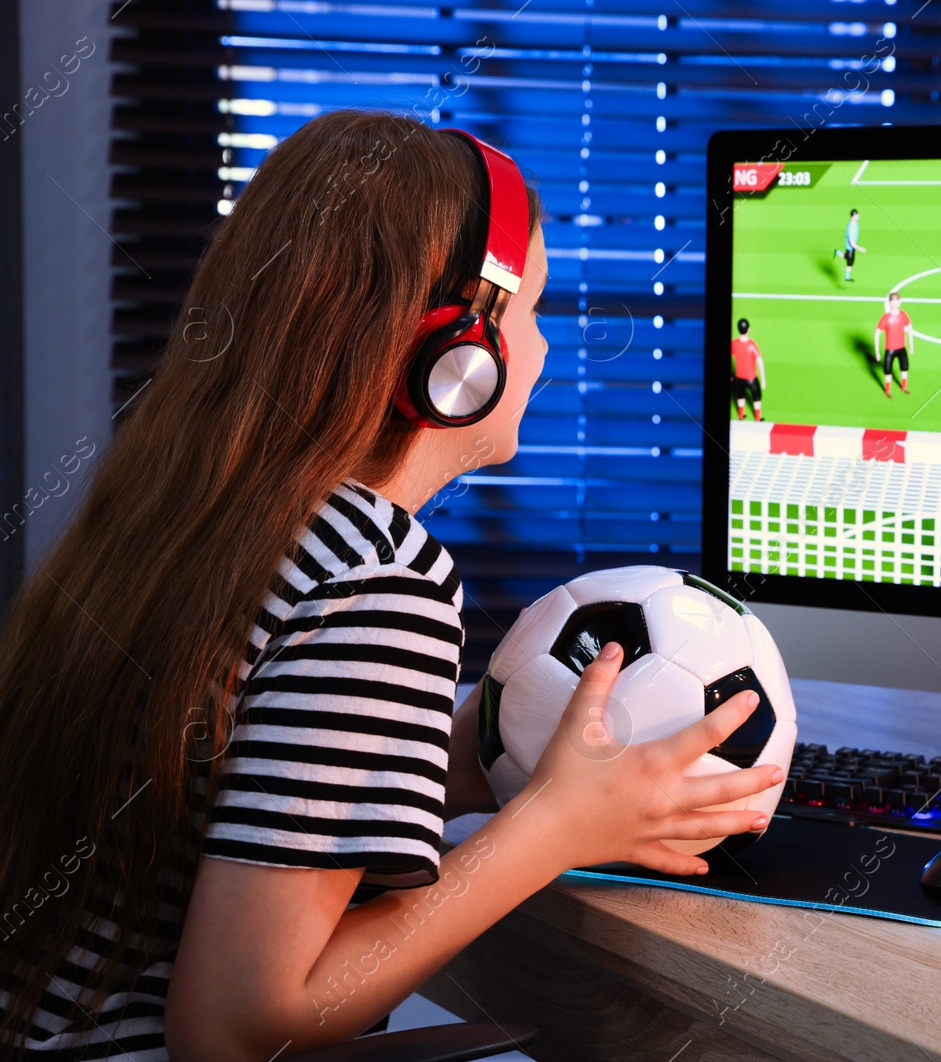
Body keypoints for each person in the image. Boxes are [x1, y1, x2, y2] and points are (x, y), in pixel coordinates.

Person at [0, 111, 782, 1062]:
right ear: (460, 352)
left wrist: (476, 746)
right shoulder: (380, 572)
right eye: (533, 310)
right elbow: (239, 1026)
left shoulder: (193, 508)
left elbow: (220, 784)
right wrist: (557, 826)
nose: (544, 352)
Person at [874, 290, 915, 397]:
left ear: (900, 302)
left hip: (901, 348)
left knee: (904, 368)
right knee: (888, 371)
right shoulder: (886, 318)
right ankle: (887, 390)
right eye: (893, 301)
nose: (895, 303)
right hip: (890, 349)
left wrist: (911, 345)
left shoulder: (903, 315)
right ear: (890, 302)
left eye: (897, 301)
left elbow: (910, 328)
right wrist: (877, 352)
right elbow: (877, 333)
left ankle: (904, 387)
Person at [730, 317, 765, 421]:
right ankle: (757, 418)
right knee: (757, 397)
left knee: (740, 396)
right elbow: (760, 362)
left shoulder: (734, 343)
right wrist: (763, 380)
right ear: (748, 329)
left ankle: (741, 416)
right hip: (752, 378)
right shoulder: (752, 345)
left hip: (739, 378)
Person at [833, 208, 866, 282]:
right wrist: (861, 249)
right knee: (850, 263)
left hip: (852, 247)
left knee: (848, 258)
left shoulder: (855, 224)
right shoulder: (851, 227)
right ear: (852, 216)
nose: (857, 217)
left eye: (857, 215)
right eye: (855, 216)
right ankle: (847, 278)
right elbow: (852, 243)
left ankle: (837, 252)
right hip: (850, 247)